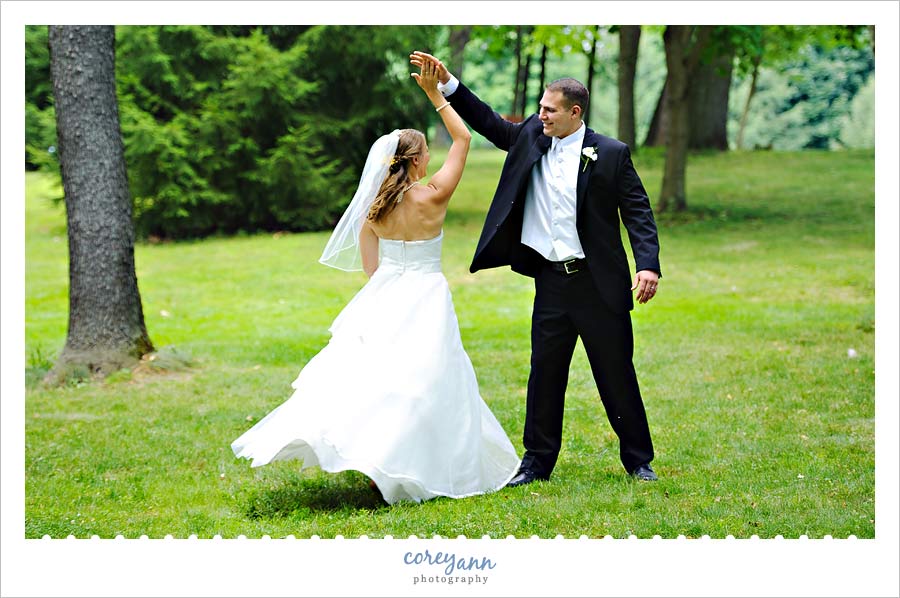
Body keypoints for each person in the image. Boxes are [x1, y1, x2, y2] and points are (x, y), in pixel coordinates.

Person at [231, 60, 521, 504]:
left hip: (385, 292)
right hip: (426, 292)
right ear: (421, 160)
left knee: (376, 378)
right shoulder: (435, 194)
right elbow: (463, 138)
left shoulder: (373, 208)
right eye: (426, 153)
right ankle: (406, 464)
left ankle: (377, 461)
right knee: (427, 381)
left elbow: (370, 268)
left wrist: (390, 281)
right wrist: (436, 95)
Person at [410, 51, 662, 485]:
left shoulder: (612, 154)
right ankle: (536, 463)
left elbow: (637, 212)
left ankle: (639, 460)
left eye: (550, 110)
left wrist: (648, 265)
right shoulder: (531, 134)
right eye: (541, 108)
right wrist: (448, 83)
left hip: (599, 284)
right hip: (551, 281)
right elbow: (489, 122)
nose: (540, 114)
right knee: (544, 373)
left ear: (574, 112)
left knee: (616, 373)